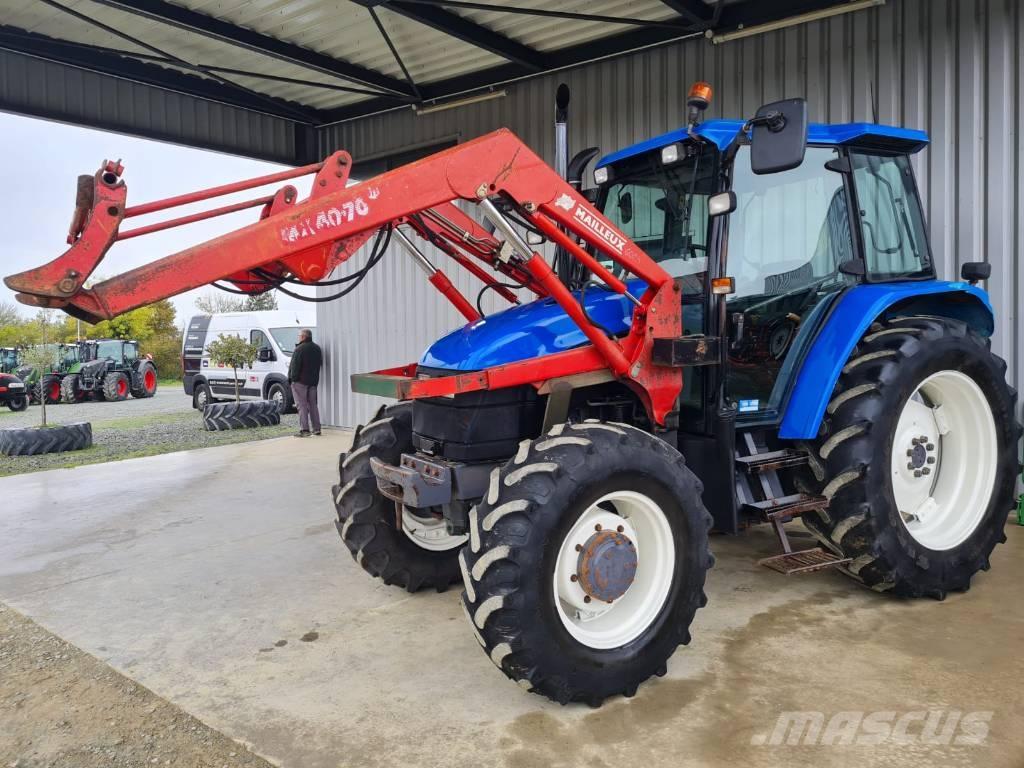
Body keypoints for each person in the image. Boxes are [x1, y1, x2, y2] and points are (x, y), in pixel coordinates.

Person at [288, 328, 323, 437]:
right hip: (313, 382)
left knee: (301, 405)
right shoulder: (317, 348)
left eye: (299, 336)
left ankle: (305, 430)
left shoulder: (299, 349)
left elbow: (295, 366)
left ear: (303, 337)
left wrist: (292, 379)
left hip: (300, 382)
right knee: (313, 405)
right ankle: (317, 429)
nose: (298, 337)